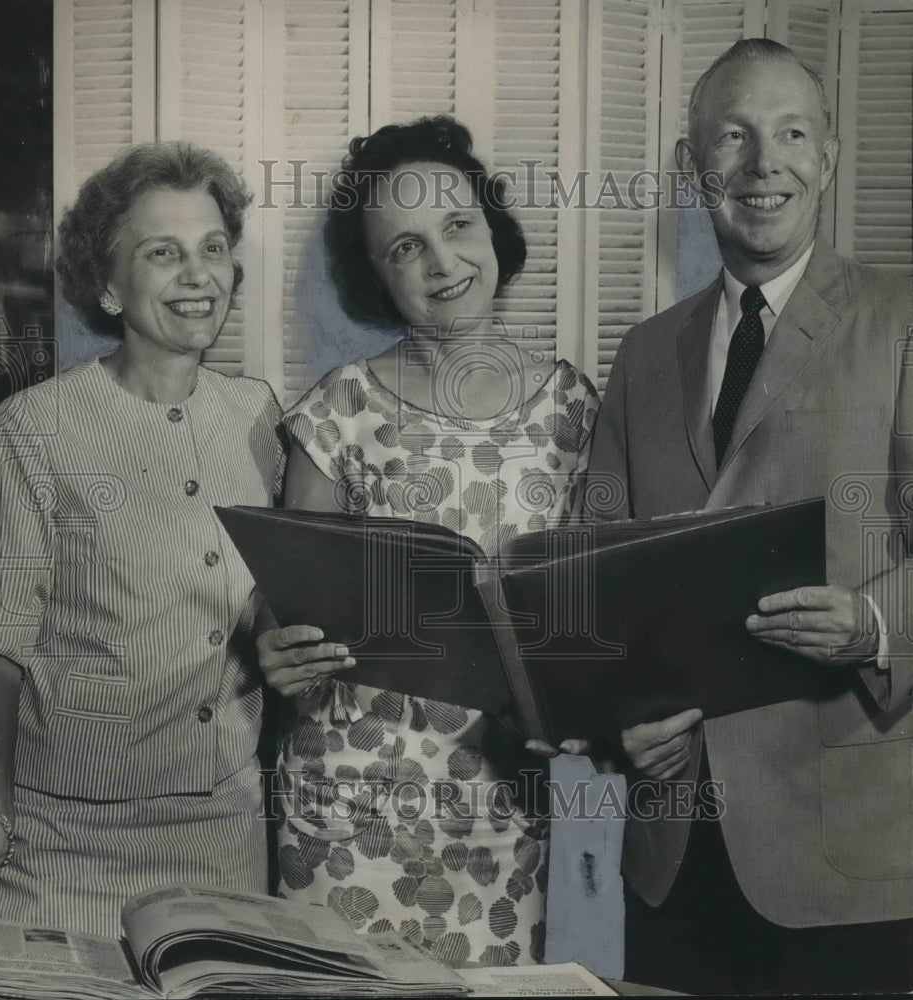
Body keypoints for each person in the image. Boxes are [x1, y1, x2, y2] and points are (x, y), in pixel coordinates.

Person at [585, 38, 913, 994]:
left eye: (791, 134)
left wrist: (875, 625)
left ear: (828, 158)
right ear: (696, 169)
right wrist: (621, 720)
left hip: (852, 861)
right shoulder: (645, 356)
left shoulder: (900, 320)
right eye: (733, 138)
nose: (763, 165)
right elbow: (601, 578)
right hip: (674, 854)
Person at [257, 116, 600, 967]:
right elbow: (284, 601)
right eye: (405, 248)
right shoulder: (340, 406)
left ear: (492, 230)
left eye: (457, 226)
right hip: (344, 813)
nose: (443, 262)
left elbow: (595, 611)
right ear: (378, 276)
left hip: (501, 811)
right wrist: (276, 647)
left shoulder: (574, 409)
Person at [0, 141, 340, 937]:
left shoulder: (259, 416)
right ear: (107, 286)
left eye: (213, 250)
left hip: (225, 840)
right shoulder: (32, 430)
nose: (198, 275)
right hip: (63, 848)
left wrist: (286, 642)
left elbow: (267, 603)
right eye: (163, 254)